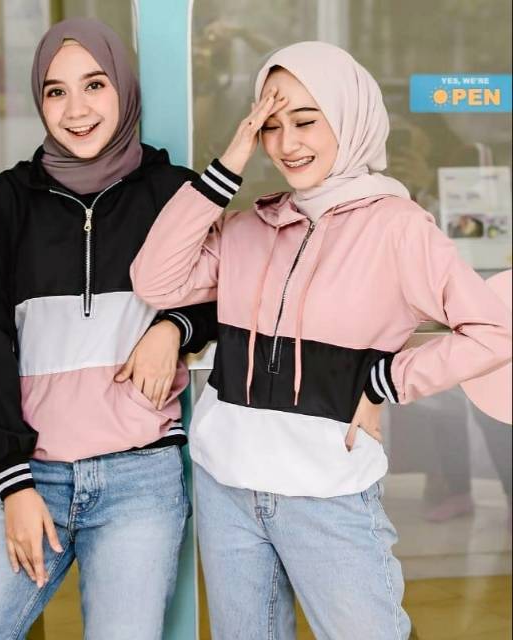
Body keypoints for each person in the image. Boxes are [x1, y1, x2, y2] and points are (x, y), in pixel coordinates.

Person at [131, 41, 512, 639]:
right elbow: (154, 280)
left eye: (306, 121)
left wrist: (387, 381)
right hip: (226, 486)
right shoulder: (248, 227)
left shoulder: (398, 229)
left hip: (328, 492)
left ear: (348, 116)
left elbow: (494, 330)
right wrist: (227, 164)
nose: (287, 143)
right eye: (270, 126)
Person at [0, 18, 215, 640]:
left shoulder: (174, 193)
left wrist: (174, 326)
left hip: (139, 482)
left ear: (123, 89)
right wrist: (14, 482)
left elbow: (229, 291)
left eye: (94, 84)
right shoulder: (4, 202)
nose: (76, 109)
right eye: (56, 91)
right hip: (31, 474)